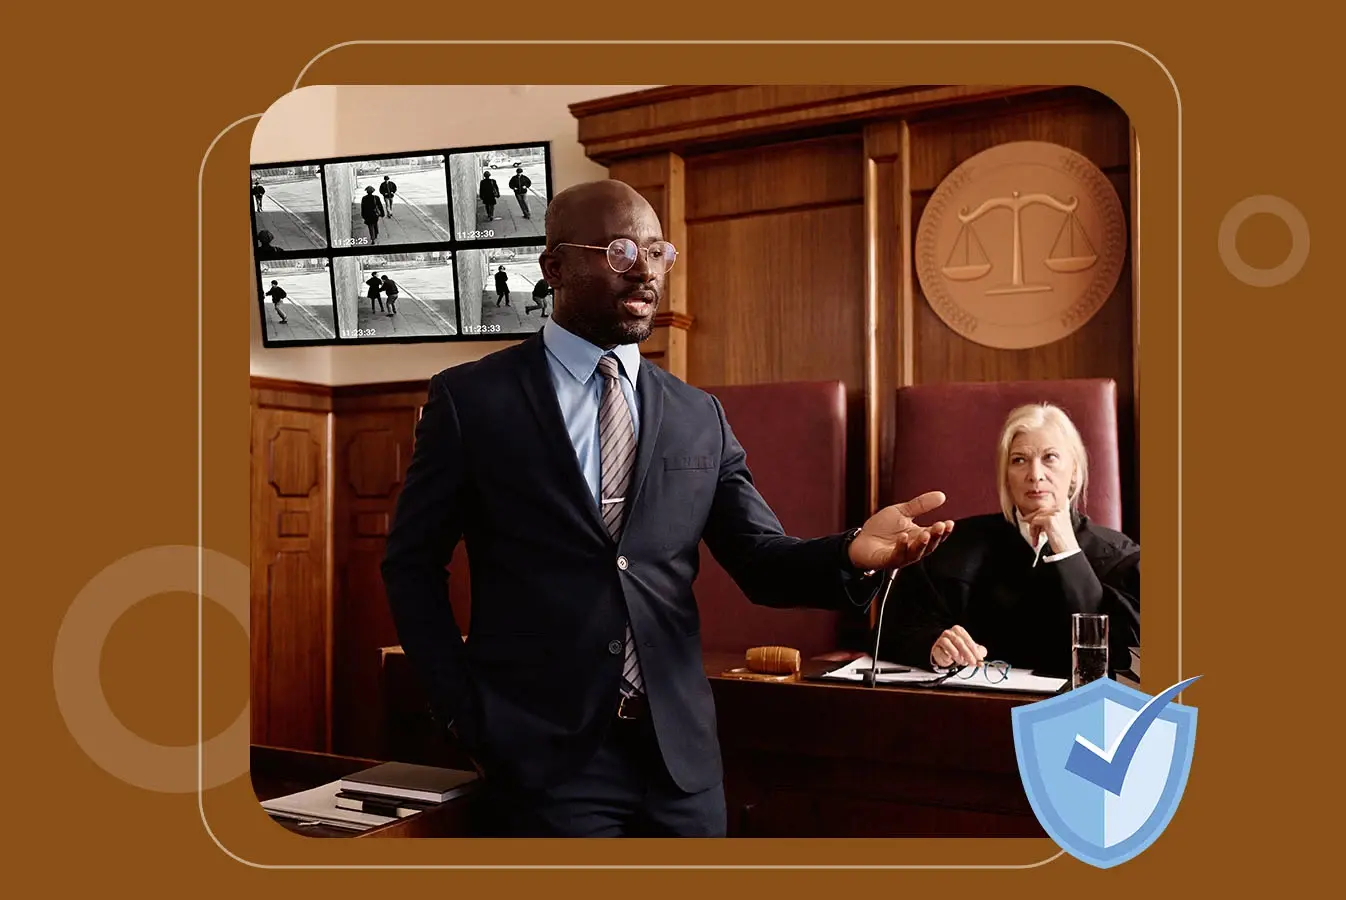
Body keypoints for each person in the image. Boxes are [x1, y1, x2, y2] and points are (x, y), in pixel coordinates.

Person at [381, 179, 955, 839]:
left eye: (659, 253)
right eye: (622, 251)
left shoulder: (697, 415)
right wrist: (462, 712)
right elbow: (411, 565)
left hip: (680, 765)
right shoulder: (472, 401)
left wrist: (853, 550)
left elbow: (761, 561)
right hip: (542, 763)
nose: (647, 271)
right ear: (555, 268)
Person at [876, 403, 1139, 679]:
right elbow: (889, 632)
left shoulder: (1121, 557)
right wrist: (932, 645)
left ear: (1073, 472)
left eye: (1049, 457)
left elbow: (1130, 661)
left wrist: (1068, 552)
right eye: (1019, 460)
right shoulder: (956, 548)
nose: (1035, 474)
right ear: (1006, 478)